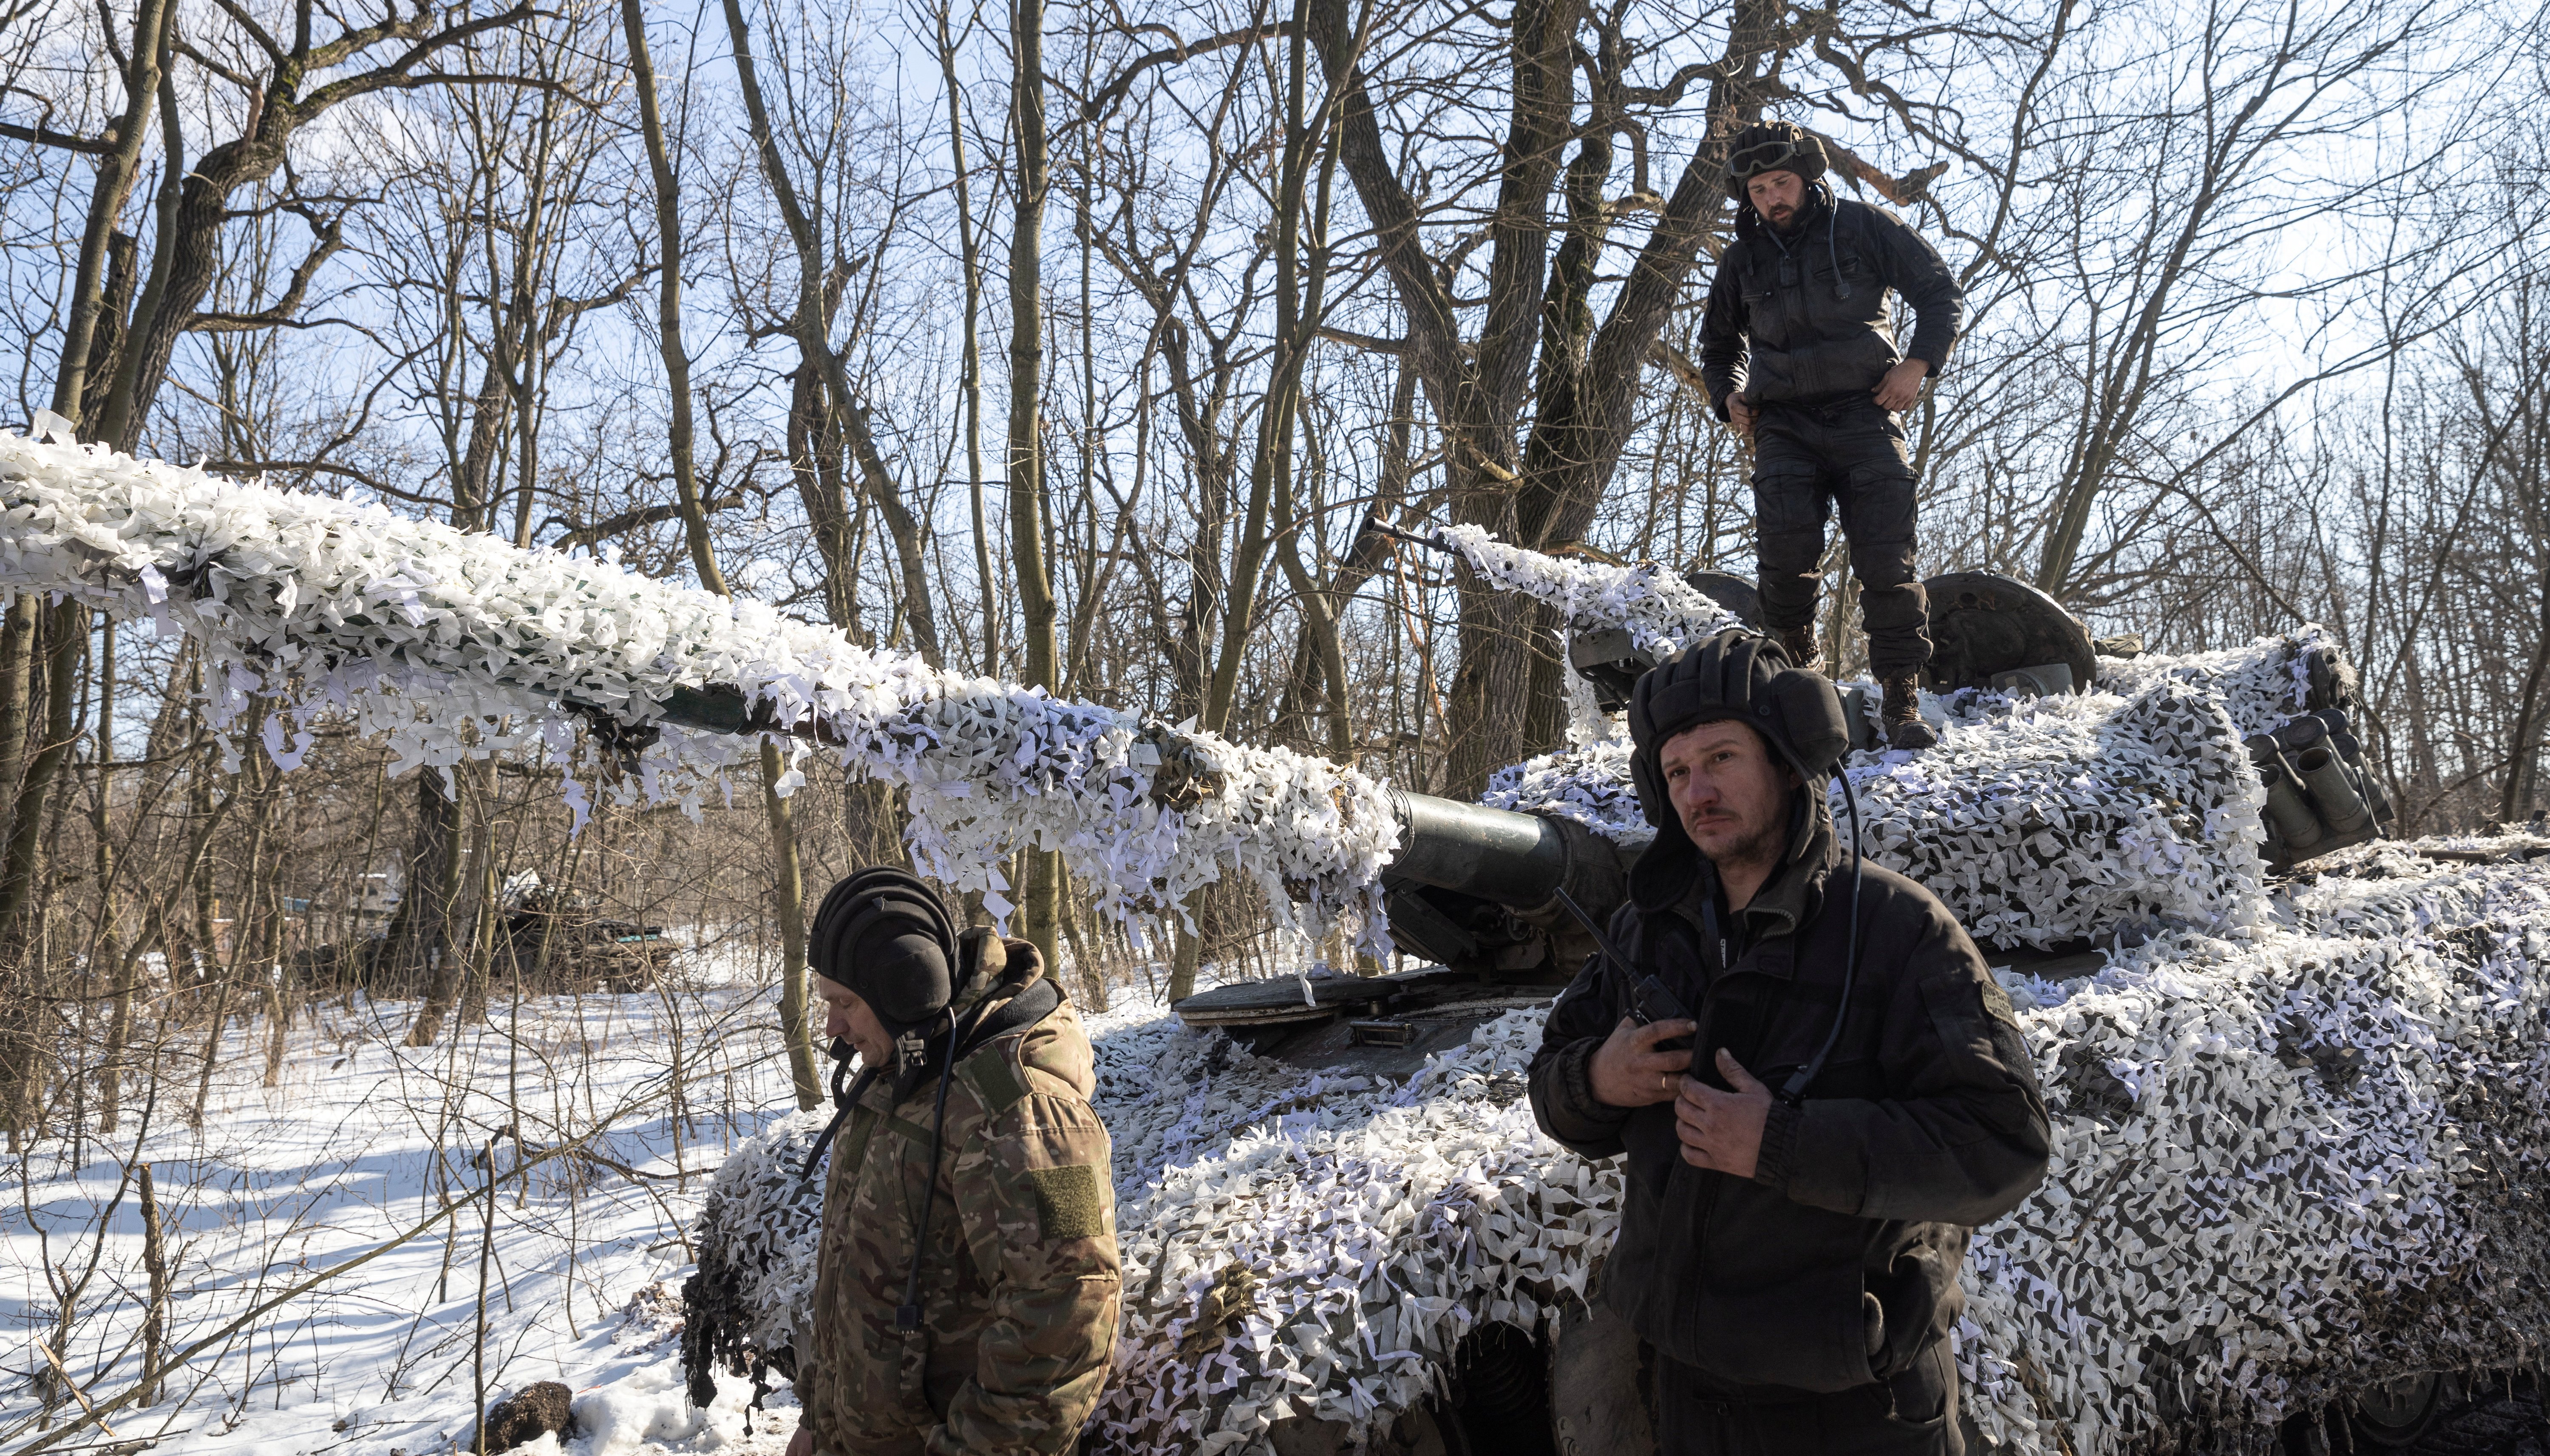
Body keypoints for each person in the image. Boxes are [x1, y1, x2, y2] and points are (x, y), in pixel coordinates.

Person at [1525, 631, 2049, 1455]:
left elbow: (2003, 1146)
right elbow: (1553, 1088)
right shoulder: (1647, 933)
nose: (1699, 790)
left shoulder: (1895, 931)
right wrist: (1599, 1078)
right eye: (1676, 772)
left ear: (1787, 759)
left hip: (1853, 1406)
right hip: (1688, 1394)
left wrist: (1783, 1144)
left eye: (1722, 758)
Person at [786, 867, 1119, 1456]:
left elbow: (1069, 1311)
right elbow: (848, 1263)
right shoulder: (900, 1068)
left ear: (905, 993)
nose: (833, 1027)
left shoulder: (1030, 1116)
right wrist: (818, 1415)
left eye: (844, 1004)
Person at [1697, 120, 1968, 751]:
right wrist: (1728, 395)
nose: (1772, 198)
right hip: (1784, 424)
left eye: (1782, 183)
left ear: (1807, 177)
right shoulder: (1742, 259)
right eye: (1759, 189)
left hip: (1867, 411)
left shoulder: (1865, 226)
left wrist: (1917, 364)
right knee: (1784, 565)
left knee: (1887, 561)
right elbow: (1718, 347)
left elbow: (1939, 293)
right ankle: (1804, 684)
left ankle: (1902, 700)